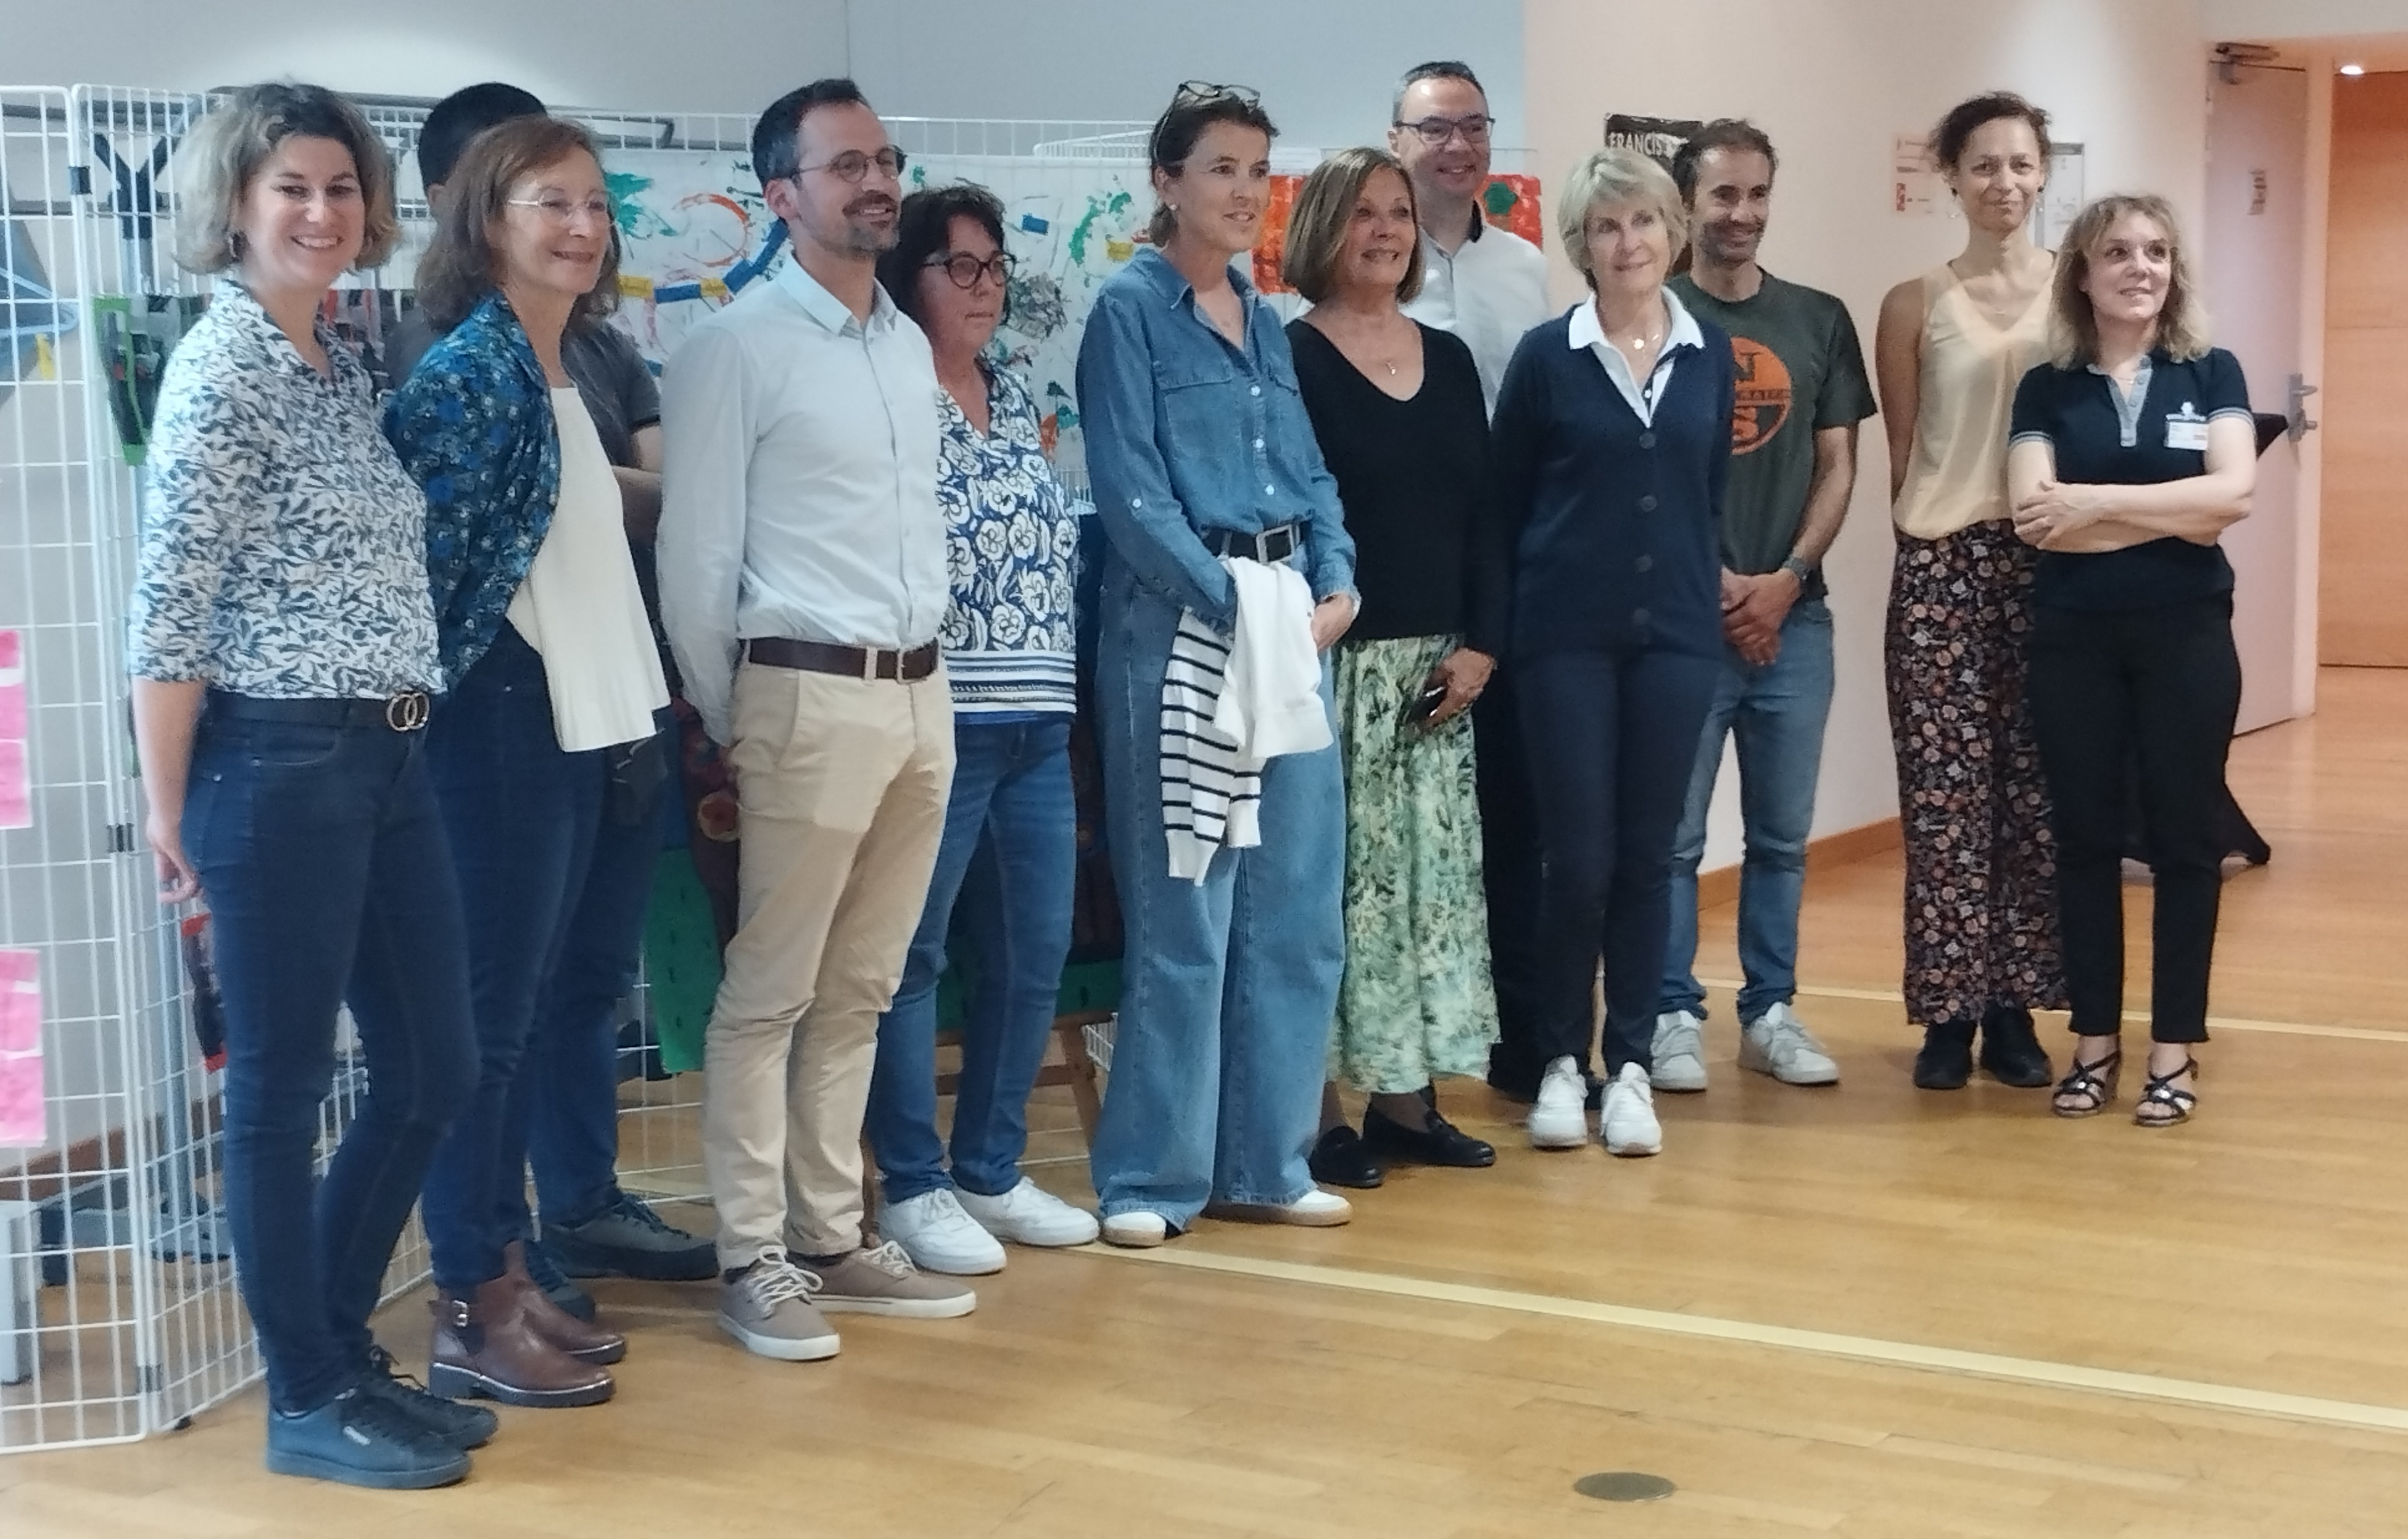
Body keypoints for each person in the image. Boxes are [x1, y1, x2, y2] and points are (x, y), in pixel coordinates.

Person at [125, 81, 482, 1489]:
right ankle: (308, 1392)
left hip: (383, 756)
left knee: (433, 1066)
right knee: (277, 1092)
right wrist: (168, 814)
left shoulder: (335, 360)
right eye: (292, 188)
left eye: (341, 188)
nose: (323, 212)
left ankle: (332, 1348)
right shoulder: (220, 371)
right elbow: (170, 616)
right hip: (274, 764)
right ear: (234, 206)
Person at [658, 78, 974, 1361]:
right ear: (780, 195)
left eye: (884, 160)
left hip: (920, 693)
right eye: (844, 165)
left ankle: (830, 1235)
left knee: (862, 985)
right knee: (769, 992)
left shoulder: (904, 341)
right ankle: (751, 1255)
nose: (875, 183)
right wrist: (745, 716)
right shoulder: (734, 347)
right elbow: (695, 560)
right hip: (801, 689)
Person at [389, 81, 714, 1324]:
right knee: (491, 1021)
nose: (579, 225)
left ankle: (517, 1260)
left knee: (540, 1008)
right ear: (482, 218)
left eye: (591, 203)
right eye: (548, 203)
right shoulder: (470, 371)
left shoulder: (560, 363)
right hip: (504, 729)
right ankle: (480, 1283)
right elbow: (439, 583)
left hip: (593, 719)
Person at [1075, 81, 1359, 1247]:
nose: (1245, 192)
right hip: (1185, 637)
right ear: (1168, 181)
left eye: (1258, 170)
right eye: (1222, 169)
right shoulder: (1126, 312)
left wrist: (1338, 583)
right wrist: (1240, 605)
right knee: (1188, 915)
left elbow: (1314, 475)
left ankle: (1267, 1162)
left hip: (1292, 627)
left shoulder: (1269, 320)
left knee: (1295, 911)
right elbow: (1133, 499)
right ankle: (1150, 1179)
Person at [859, 183, 1100, 1273]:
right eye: (960, 267)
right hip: (937, 718)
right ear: (908, 277)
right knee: (909, 957)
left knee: (1031, 953)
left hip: (1038, 722)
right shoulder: (885, 391)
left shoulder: (1013, 392)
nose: (985, 287)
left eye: (996, 267)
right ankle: (911, 1185)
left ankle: (990, 1170)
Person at [1491, 147, 1734, 1158]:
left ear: (1672, 235)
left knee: (1647, 860)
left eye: (1641, 224)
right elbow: (1506, 510)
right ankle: (1560, 1062)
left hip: (1676, 640)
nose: (1626, 244)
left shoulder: (1709, 353)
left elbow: (1703, 494)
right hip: (1564, 644)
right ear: (1581, 244)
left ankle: (1629, 1065)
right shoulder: (1549, 357)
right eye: (1604, 227)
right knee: (1577, 861)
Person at [1280, 147, 1504, 1189]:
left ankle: (1407, 1103)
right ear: (1324, 225)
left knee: (1427, 894)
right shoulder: (1289, 359)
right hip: (1340, 671)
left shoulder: (1450, 359)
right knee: (1335, 897)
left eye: (1400, 213)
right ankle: (1321, 1113)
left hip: (1437, 674)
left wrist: (1480, 646)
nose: (1385, 230)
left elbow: (1485, 517)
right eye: (1364, 212)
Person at [2006, 195, 2254, 1126]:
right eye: (2117, 252)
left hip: (2188, 638)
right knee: (2083, 841)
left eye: (2156, 252)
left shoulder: (2210, 371)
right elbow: (2037, 520)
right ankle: (2095, 1044)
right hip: (2075, 642)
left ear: (2173, 270)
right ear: (2083, 272)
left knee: (2188, 844)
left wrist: (2094, 505)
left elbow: (2235, 493)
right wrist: (2169, 514)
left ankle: (2173, 1051)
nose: (2139, 267)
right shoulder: (2046, 386)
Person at [1652, 120, 1877, 1092]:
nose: (1741, 215)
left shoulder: (1819, 318)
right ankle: (1666, 1014)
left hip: (1797, 620)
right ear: (1687, 204)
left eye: (1756, 196)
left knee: (1783, 839)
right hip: (1681, 623)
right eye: (1722, 197)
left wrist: (1785, 580)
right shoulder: (1649, 314)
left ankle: (1770, 1012)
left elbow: (1839, 464)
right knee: (1674, 842)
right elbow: (1641, 472)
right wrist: (1711, 582)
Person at [1874, 93, 2066, 1092]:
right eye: (1983, 165)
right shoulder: (1915, 302)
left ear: (2043, 174)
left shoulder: (2077, 295)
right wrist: (1929, 552)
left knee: (2031, 802)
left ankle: (2016, 1008)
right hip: (1944, 569)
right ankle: (1947, 1016)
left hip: (2049, 561)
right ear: (1950, 176)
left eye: (2021, 165)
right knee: (1946, 806)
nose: (2004, 183)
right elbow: (1909, 458)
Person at [1386, 60, 1558, 1108]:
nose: (1458, 145)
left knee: (1515, 818)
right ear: (1397, 139)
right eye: (1435, 128)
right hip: (1406, 573)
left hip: (1519, 574)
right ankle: (1409, 1056)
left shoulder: (1530, 269)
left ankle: (1522, 1035)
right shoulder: (1372, 266)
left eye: (1474, 127)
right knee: (1410, 826)